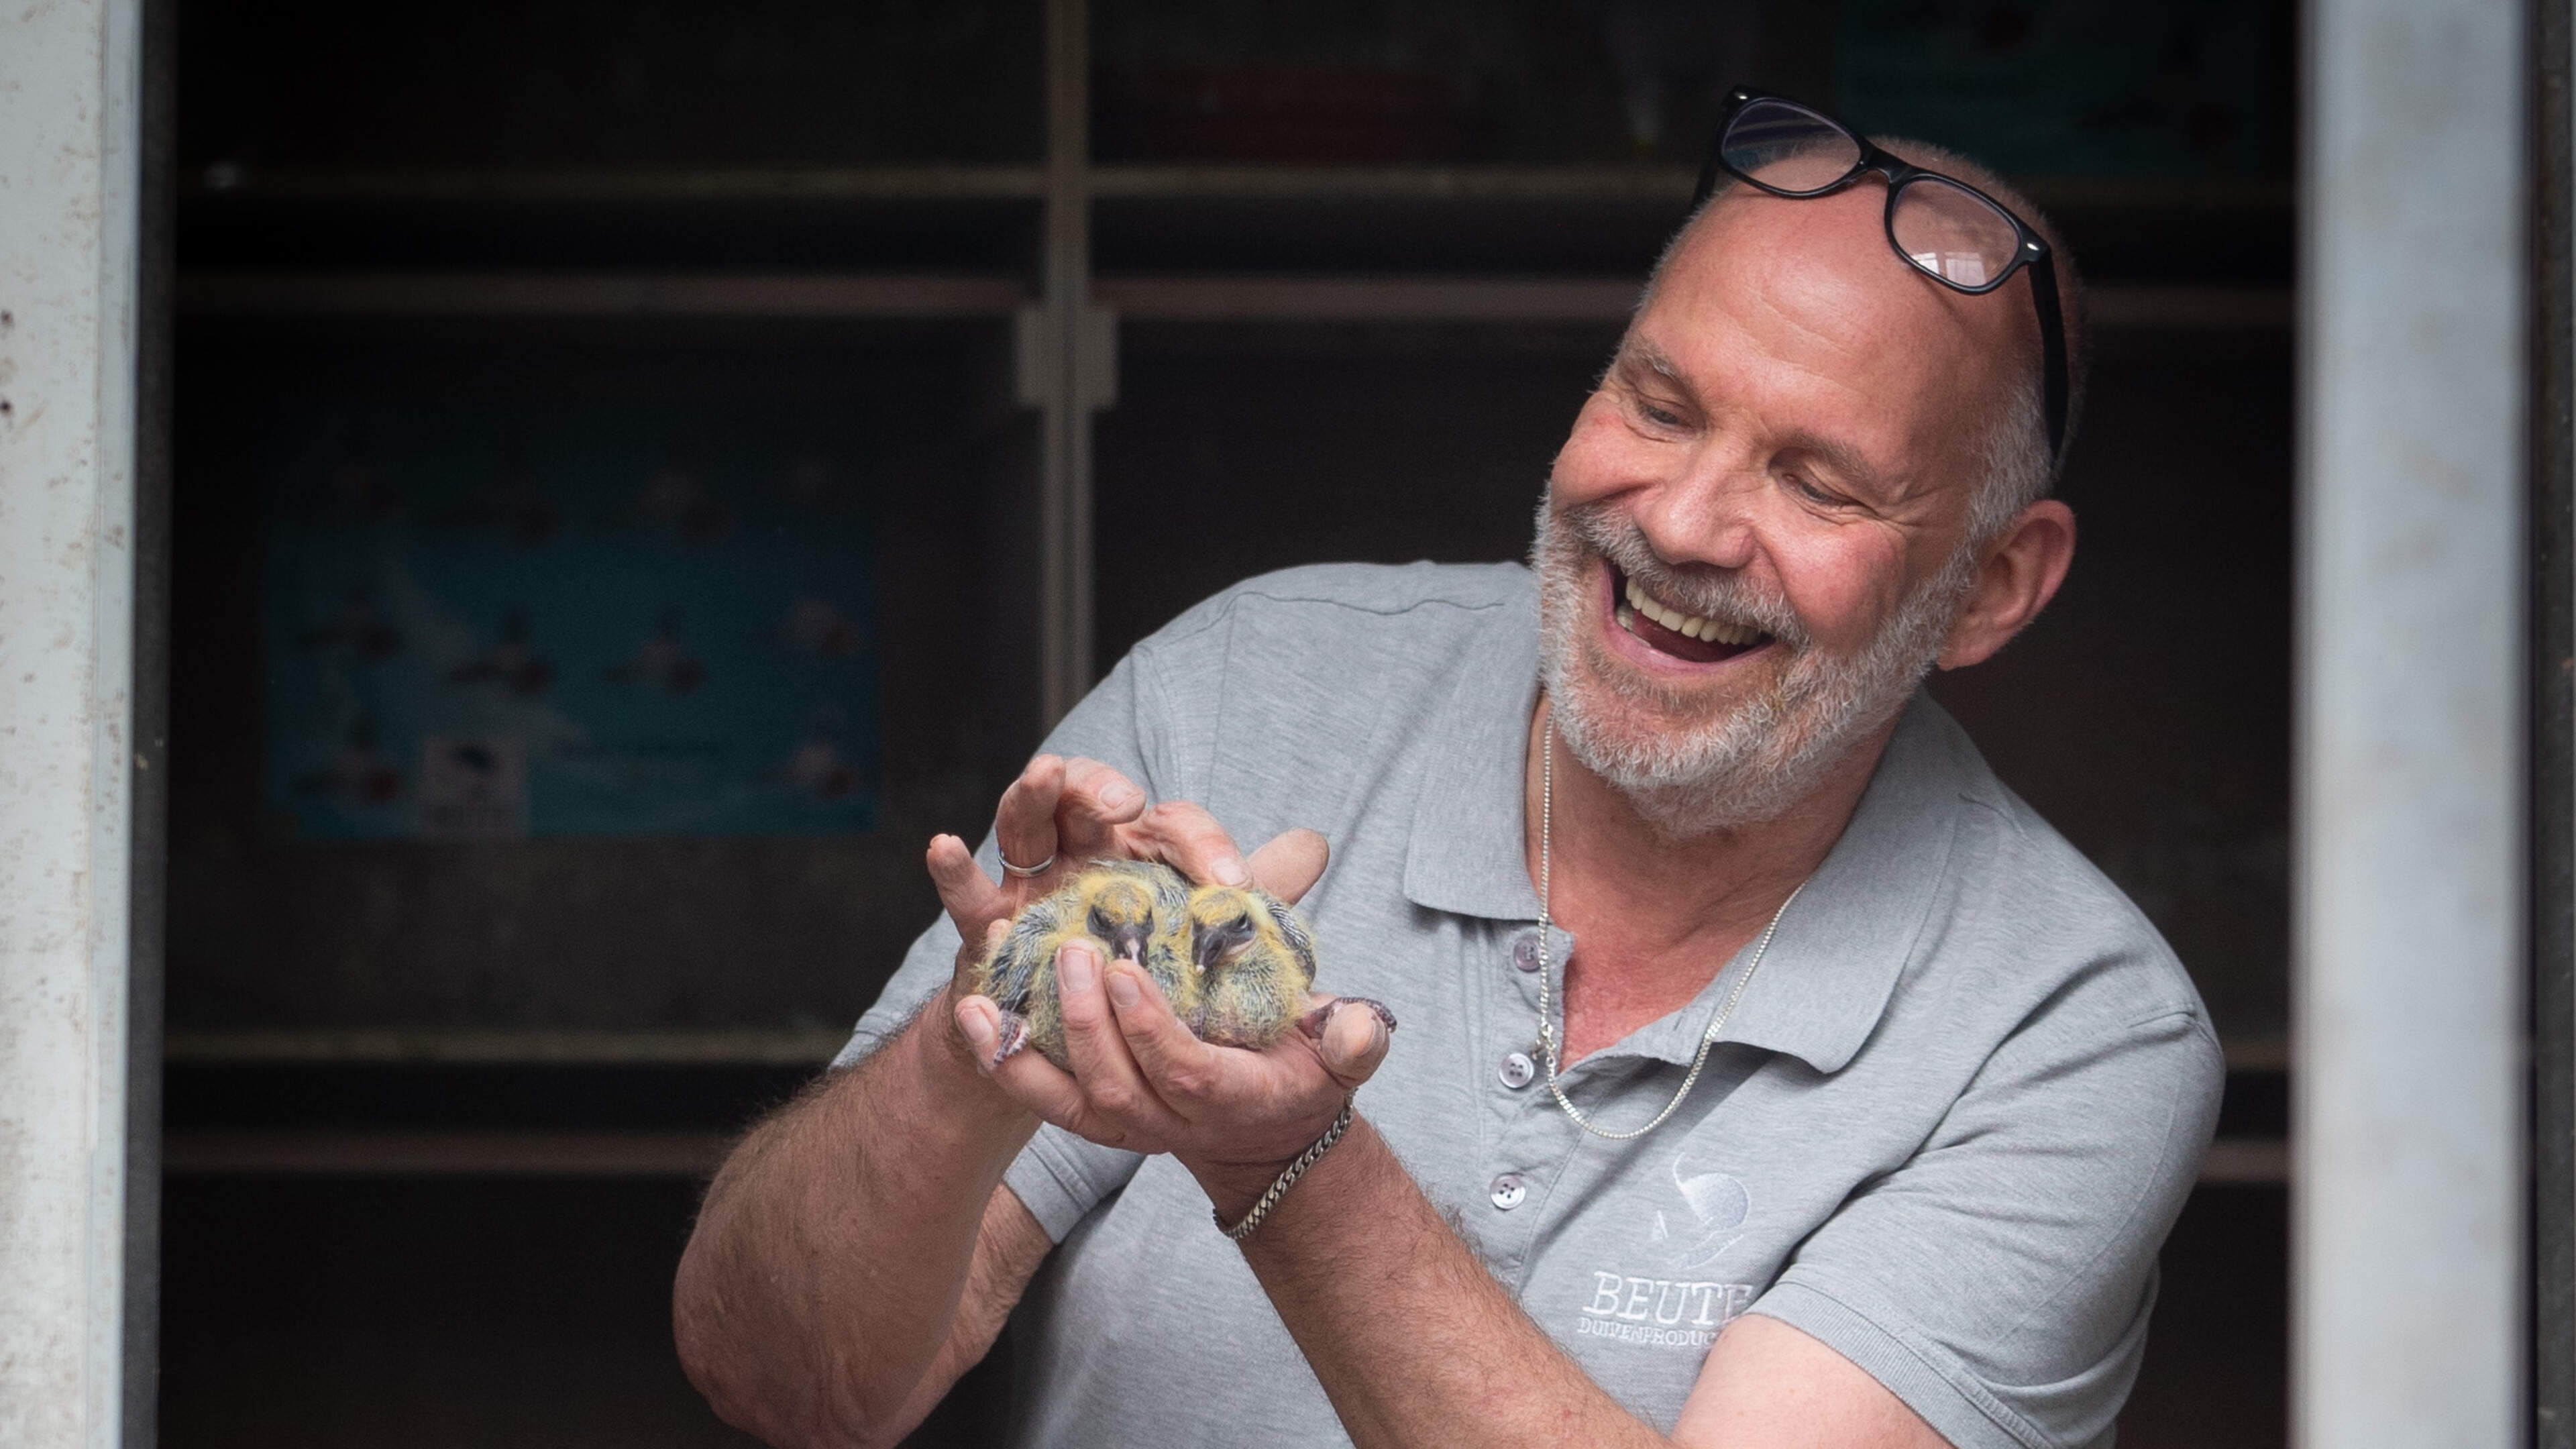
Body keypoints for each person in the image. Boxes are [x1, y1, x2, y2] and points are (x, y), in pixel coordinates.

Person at [674, 98, 2222, 1449]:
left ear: (1990, 587)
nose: (1681, 525)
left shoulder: (2072, 1032)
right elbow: (783, 1382)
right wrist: (980, 1042)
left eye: (1816, 481)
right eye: (1659, 406)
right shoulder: (1249, 687)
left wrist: (1286, 1156)